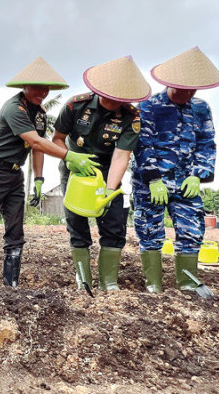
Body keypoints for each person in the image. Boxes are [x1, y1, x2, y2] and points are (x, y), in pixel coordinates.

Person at [0, 56, 82, 288]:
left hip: (15, 176)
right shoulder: (13, 108)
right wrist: (68, 155)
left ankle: (11, 285)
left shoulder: (40, 113)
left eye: (46, 88)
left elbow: (37, 148)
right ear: (24, 86)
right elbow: (35, 142)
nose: (42, 92)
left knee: (15, 233)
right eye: (37, 87)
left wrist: (38, 179)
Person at [53, 55, 150, 292]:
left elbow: (121, 155)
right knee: (76, 221)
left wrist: (108, 189)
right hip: (75, 169)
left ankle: (108, 282)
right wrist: (71, 160)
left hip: (108, 170)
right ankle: (83, 278)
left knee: (114, 222)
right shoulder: (75, 105)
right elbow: (56, 139)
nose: (112, 99)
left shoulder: (131, 116)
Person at [132, 47, 219, 293]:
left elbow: (207, 143)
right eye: (182, 88)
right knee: (149, 229)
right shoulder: (148, 106)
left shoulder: (201, 108)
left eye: (192, 89)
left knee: (192, 229)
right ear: (170, 84)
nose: (187, 93)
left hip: (185, 181)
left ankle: (186, 283)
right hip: (150, 183)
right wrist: (153, 178)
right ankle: (153, 284)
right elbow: (142, 144)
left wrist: (197, 175)